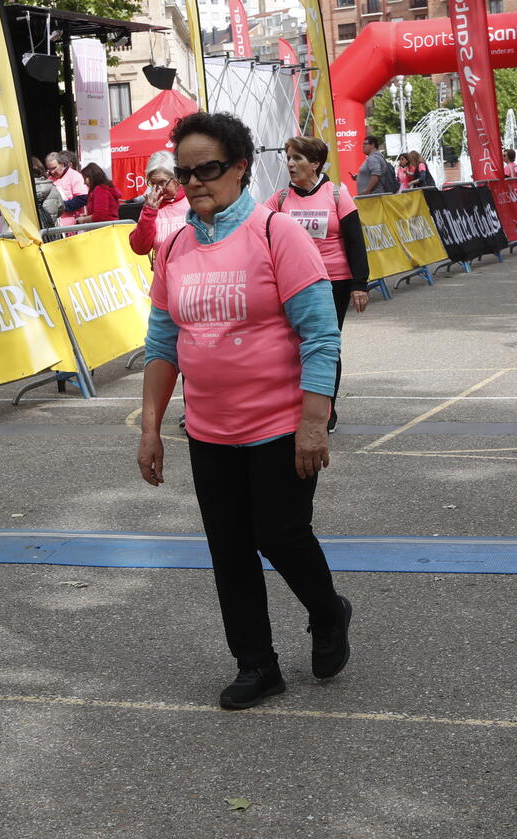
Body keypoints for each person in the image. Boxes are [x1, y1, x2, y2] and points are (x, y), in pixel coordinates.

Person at [137, 112, 350, 711]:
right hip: (209, 431)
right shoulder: (175, 245)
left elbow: (320, 337)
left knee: (280, 533)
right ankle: (256, 664)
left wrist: (314, 421)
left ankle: (328, 612)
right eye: (184, 172)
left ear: (239, 167)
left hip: (280, 426)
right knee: (229, 548)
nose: (194, 182)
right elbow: (161, 346)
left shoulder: (276, 234)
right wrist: (150, 429)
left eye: (207, 168)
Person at [271, 134, 369, 433]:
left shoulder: (337, 194)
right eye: (288, 158)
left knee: (324, 346)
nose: (290, 163)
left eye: (297, 158)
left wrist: (359, 284)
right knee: (291, 348)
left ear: (315, 163)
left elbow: (355, 241)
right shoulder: (280, 199)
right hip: (292, 282)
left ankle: (326, 411)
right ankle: (294, 408)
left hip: (332, 282)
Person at [128, 150, 191, 257]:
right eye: (153, 183)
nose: (158, 189)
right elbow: (140, 248)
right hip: (163, 271)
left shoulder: (192, 201)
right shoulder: (151, 207)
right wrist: (148, 214)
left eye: (162, 182)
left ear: (176, 179)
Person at [46, 152, 88, 226]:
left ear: (62, 164)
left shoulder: (74, 175)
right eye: (49, 169)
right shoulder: (49, 179)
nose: (52, 172)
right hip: (57, 225)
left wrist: (60, 206)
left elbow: (82, 198)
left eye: (54, 168)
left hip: (74, 225)